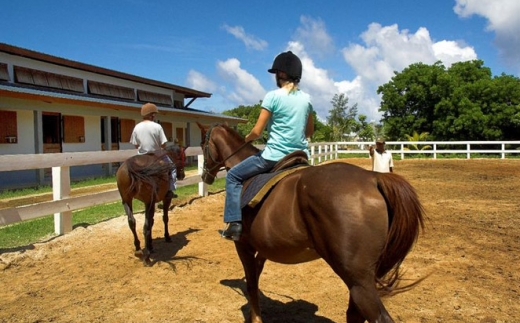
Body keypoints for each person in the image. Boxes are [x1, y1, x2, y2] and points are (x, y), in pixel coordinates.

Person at [221, 51, 314, 241]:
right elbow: (309, 132)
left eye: (276, 73)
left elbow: (257, 131)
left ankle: (235, 224)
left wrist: (247, 138)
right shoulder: (307, 99)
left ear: (281, 74)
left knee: (233, 176)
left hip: (274, 156)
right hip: (300, 155)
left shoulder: (272, 96)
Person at [130, 102, 177, 198]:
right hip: (156, 156)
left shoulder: (136, 127)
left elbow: (135, 145)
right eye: (154, 114)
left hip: (141, 156)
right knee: (172, 167)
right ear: (151, 115)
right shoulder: (157, 127)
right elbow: (163, 145)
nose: (155, 116)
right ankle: (170, 190)